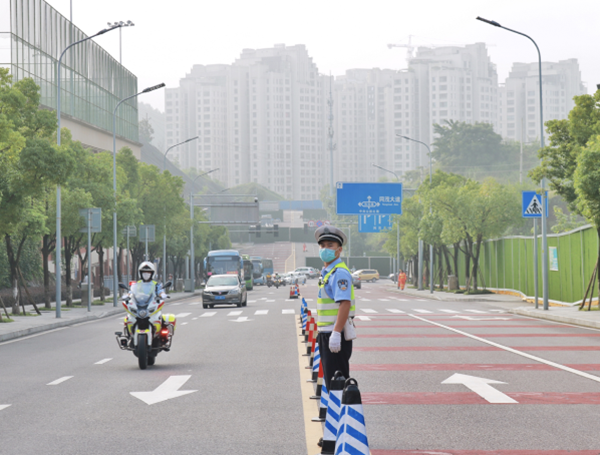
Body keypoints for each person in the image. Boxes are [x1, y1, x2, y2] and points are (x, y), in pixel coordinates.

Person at [314, 225, 355, 391]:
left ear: (339, 250)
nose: (325, 249)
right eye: (322, 245)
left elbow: (345, 303)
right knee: (332, 381)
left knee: (337, 381)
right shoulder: (328, 272)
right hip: (327, 333)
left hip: (335, 333)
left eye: (330, 245)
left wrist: (336, 333)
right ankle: (336, 416)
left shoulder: (339, 273)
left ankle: (342, 416)